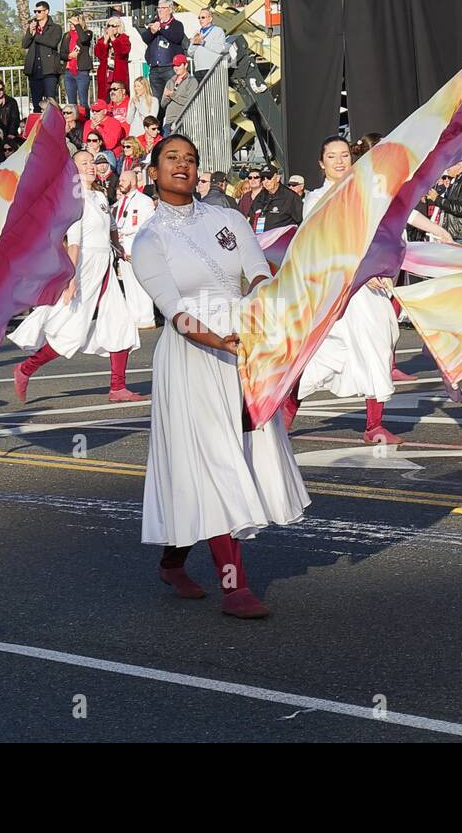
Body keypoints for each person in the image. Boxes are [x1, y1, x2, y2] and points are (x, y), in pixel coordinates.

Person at [129, 133, 309, 617]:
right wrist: (218, 341)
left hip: (244, 345)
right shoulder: (148, 240)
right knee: (214, 461)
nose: (182, 165)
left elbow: (257, 270)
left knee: (239, 455)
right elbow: (173, 311)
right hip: (192, 356)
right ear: (154, 172)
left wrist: (261, 308)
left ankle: (173, 560)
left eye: (190, 158)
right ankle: (235, 586)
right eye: (171, 159)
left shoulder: (228, 218)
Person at [10, 150, 144, 404]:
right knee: (71, 330)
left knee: (121, 323)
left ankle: (118, 387)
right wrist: (70, 279)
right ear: (74, 170)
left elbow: (111, 225)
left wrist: (119, 248)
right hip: (84, 266)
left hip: (104, 265)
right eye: (85, 163)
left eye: (92, 161)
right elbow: (74, 242)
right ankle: (26, 368)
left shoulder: (100, 195)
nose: (91, 166)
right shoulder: (73, 197)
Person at [295, 135, 405, 444]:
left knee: (379, 346)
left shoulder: (367, 193)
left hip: (370, 289)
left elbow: (383, 234)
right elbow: (330, 244)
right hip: (337, 289)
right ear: (322, 163)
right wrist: (364, 271)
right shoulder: (316, 200)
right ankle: (278, 419)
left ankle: (374, 425)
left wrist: (384, 267)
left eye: (344, 154)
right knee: (319, 356)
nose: (340, 161)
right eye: (332, 156)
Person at [113, 169, 156, 329]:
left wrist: (125, 231)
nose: (120, 183)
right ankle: (134, 316)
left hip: (137, 248)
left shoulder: (144, 201)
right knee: (129, 285)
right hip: (122, 250)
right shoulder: (119, 203)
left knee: (140, 284)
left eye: (124, 180)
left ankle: (146, 317)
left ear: (132, 182)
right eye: (120, 180)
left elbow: (148, 225)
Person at [142, 0, 186, 106]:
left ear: (170, 10)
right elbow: (145, 38)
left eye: (163, 8)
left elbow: (177, 38)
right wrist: (152, 31)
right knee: (157, 100)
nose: (160, 10)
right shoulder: (153, 23)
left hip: (169, 67)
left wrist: (161, 29)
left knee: (171, 96)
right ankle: (160, 122)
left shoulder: (177, 24)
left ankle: (173, 121)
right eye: (158, 8)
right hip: (155, 68)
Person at [22, 1, 64, 112]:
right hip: (35, 70)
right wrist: (30, 32)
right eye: (35, 11)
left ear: (46, 12)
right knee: (36, 103)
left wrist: (36, 35)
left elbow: (52, 43)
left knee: (51, 102)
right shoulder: (33, 27)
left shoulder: (55, 28)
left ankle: (53, 125)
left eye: (39, 11)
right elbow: (25, 44)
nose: (37, 14)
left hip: (49, 70)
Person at [60, 12, 95, 113]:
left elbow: (84, 39)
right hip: (68, 71)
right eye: (71, 22)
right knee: (71, 103)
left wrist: (77, 25)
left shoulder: (87, 33)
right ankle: (73, 124)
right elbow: (61, 53)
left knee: (83, 101)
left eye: (75, 22)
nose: (72, 24)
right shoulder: (66, 36)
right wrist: (69, 56)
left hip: (82, 71)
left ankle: (85, 122)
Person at [251, 166, 304, 231]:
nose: (266, 181)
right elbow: (251, 218)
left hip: (283, 239)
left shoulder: (291, 197)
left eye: (269, 178)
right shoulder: (260, 197)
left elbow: (302, 221)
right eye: (263, 179)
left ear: (278, 178)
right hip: (260, 238)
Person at [95, 16, 133, 103]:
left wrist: (112, 38)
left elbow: (122, 52)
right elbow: (99, 54)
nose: (110, 28)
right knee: (104, 98)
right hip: (105, 74)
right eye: (108, 26)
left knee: (119, 97)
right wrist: (105, 41)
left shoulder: (124, 38)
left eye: (113, 26)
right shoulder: (102, 39)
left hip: (119, 74)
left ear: (119, 27)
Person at [160, 55, 199, 133]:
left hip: (183, 122)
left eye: (178, 65)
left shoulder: (192, 81)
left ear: (186, 65)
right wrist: (167, 97)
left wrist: (172, 95)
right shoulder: (170, 81)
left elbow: (190, 102)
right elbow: (163, 104)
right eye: (174, 65)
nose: (176, 68)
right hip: (168, 123)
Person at [188, 8, 228, 79]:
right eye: (199, 18)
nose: (200, 19)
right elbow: (190, 52)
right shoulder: (197, 32)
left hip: (212, 68)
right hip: (198, 69)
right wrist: (195, 44)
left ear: (210, 19)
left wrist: (204, 43)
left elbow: (220, 49)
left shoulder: (218, 31)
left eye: (203, 17)